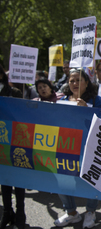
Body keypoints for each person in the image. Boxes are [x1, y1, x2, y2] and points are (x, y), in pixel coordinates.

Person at [54, 68, 101, 228]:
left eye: (78, 80)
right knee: (62, 179)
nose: (75, 83)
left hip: (89, 147)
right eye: (72, 80)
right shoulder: (62, 99)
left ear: (87, 82)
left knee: (92, 179)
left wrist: (88, 109)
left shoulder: (96, 100)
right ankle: (71, 213)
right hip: (66, 146)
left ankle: (90, 212)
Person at [0, 65, 26, 229]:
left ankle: (20, 212)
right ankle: (7, 212)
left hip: (15, 139)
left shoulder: (14, 92)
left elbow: (23, 114)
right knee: (5, 178)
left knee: (18, 176)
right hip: (1, 142)